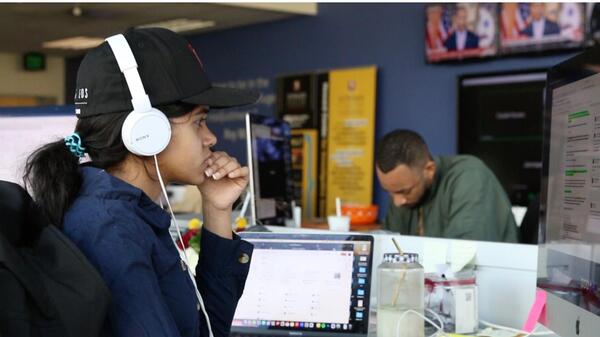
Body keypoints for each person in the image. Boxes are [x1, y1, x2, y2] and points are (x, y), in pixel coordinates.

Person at [23, 27, 259, 337]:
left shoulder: (126, 216)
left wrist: (216, 210)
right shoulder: (111, 230)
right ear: (148, 131)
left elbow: (206, 330)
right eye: (199, 121)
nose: (211, 138)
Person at [375, 130, 518, 243]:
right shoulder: (401, 191)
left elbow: (463, 256)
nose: (397, 202)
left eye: (405, 191)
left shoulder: (470, 176)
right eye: (389, 192)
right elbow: (389, 245)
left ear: (429, 170)